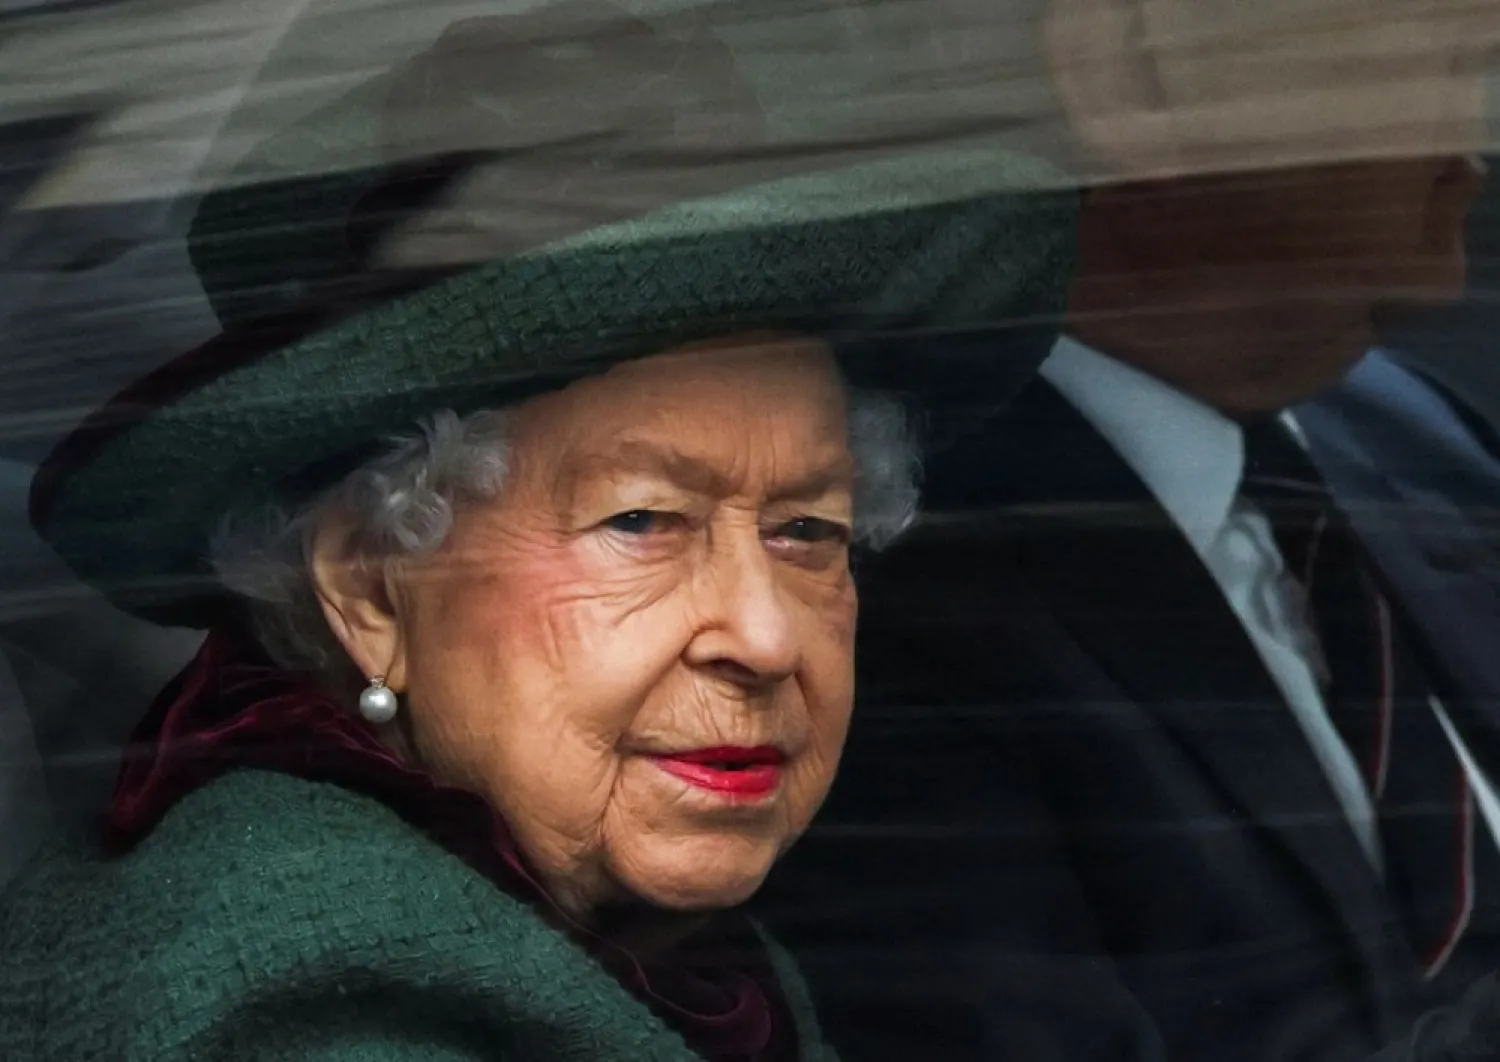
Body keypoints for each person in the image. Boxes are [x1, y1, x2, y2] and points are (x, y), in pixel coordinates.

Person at [0, 4, 1074, 1059]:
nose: (765, 637)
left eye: (807, 530)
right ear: (371, 588)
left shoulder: (648, 958)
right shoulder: (313, 1000)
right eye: (643, 521)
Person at [761, 42, 1500, 1062]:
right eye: (1434, 54)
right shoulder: (875, 583)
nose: (1474, 144)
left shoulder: (1409, 433)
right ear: (1133, 81)